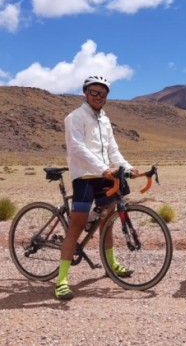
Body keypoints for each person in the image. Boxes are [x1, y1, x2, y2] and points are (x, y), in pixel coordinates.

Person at [55, 76, 139, 300]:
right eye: (94, 92)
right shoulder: (75, 117)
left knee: (108, 221)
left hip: (103, 174)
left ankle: (111, 264)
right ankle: (61, 279)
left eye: (103, 93)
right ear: (85, 93)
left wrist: (128, 168)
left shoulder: (105, 120)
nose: (98, 96)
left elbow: (114, 150)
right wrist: (103, 169)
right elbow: (77, 148)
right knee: (76, 225)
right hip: (84, 176)